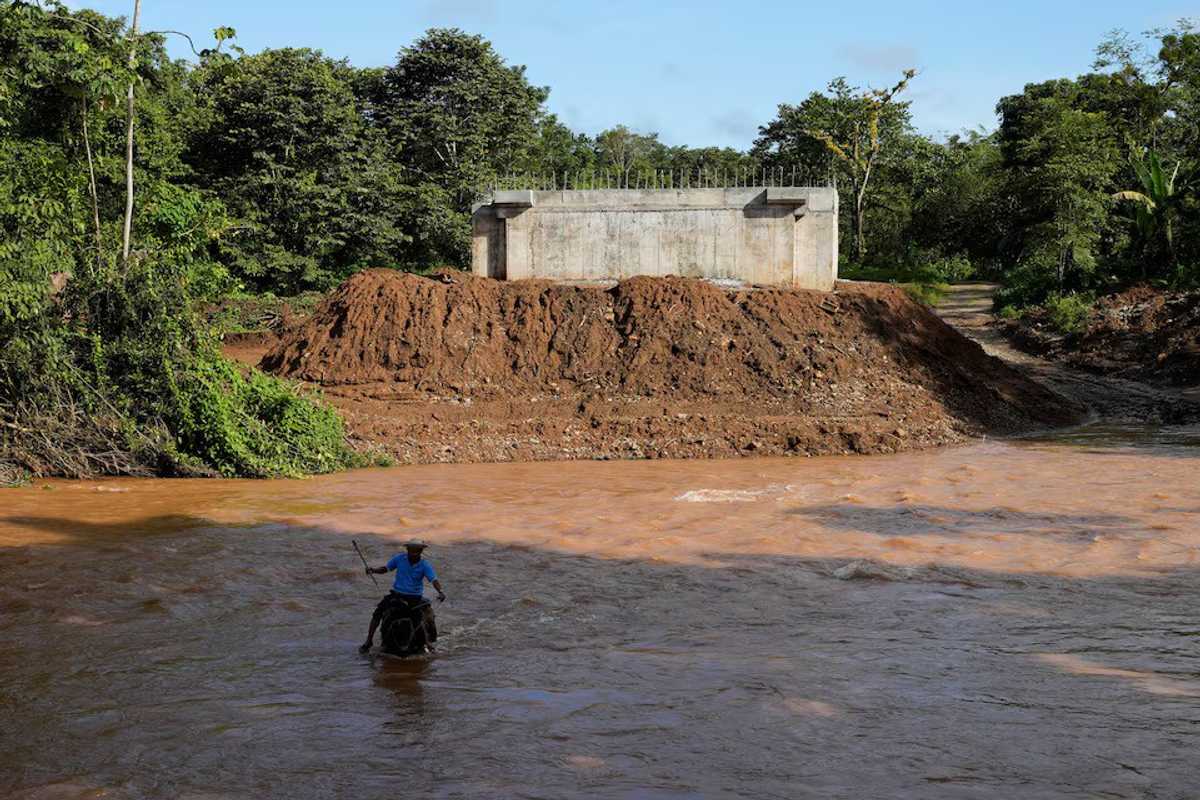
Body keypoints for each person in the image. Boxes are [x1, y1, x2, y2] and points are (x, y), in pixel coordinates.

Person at [359, 539, 446, 654]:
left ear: (421, 551)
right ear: (408, 550)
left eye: (417, 550)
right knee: (378, 613)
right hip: (397, 594)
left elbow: (434, 580)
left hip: (414, 597)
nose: (413, 553)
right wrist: (373, 570)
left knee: (419, 619)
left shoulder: (425, 565)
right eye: (411, 550)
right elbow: (386, 569)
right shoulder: (399, 558)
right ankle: (368, 641)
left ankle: (427, 644)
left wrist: (440, 591)